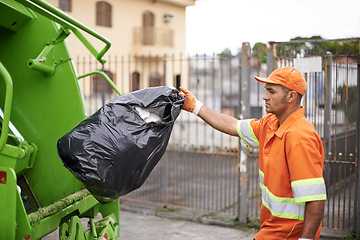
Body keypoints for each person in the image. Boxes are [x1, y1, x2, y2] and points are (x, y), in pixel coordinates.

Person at [179, 66, 327, 240]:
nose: (264, 97)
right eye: (266, 91)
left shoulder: (299, 137)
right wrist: (195, 106)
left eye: (271, 91)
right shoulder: (271, 124)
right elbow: (232, 125)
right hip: (271, 230)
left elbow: (315, 200)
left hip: (288, 235)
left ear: (291, 96)